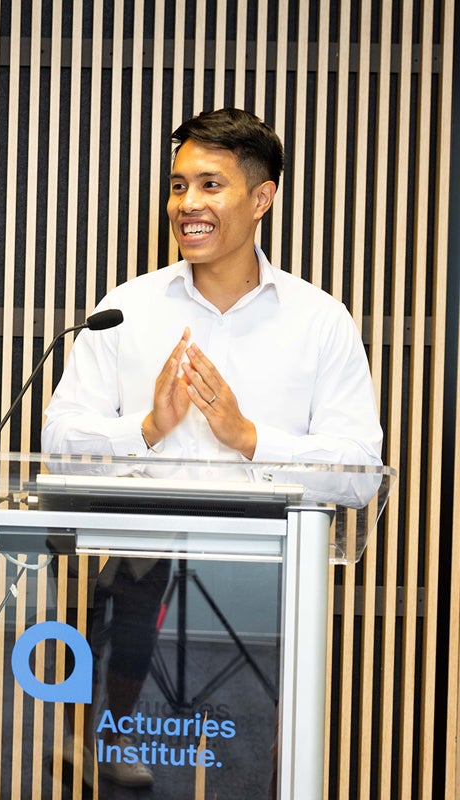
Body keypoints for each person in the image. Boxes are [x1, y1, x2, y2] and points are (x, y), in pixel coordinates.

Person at [41, 108, 383, 789]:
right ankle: (114, 744)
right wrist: (146, 428)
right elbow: (58, 446)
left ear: (262, 198)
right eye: (178, 186)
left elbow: (358, 474)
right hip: (139, 574)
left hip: (269, 591)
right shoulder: (125, 310)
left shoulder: (320, 322)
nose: (187, 204)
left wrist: (248, 438)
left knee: (252, 772)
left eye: (209, 185)